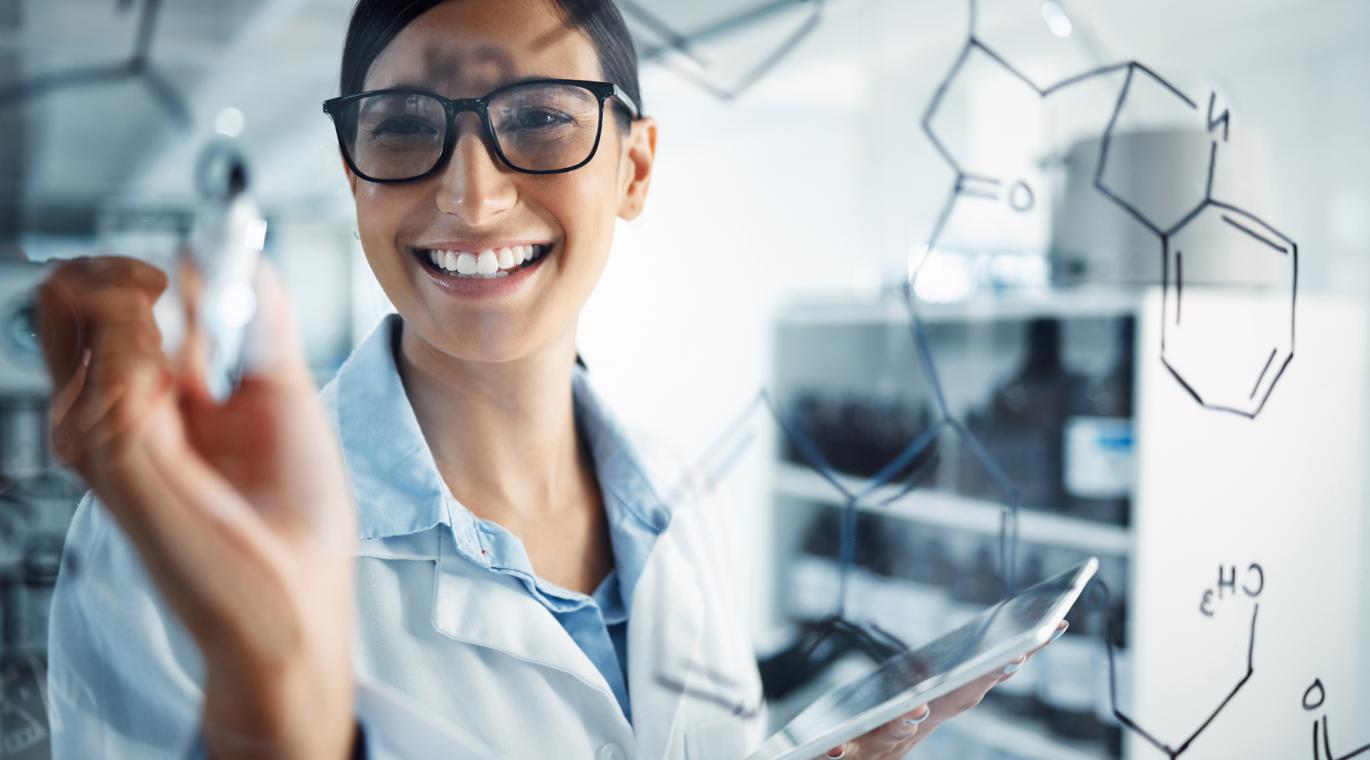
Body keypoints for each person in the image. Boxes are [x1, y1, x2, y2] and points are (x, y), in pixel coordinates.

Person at [38, 1, 1051, 757]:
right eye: (400, 124)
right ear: (353, 173)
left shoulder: (676, 500)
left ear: (636, 168)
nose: (470, 197)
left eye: (539, 118)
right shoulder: (175, 534)